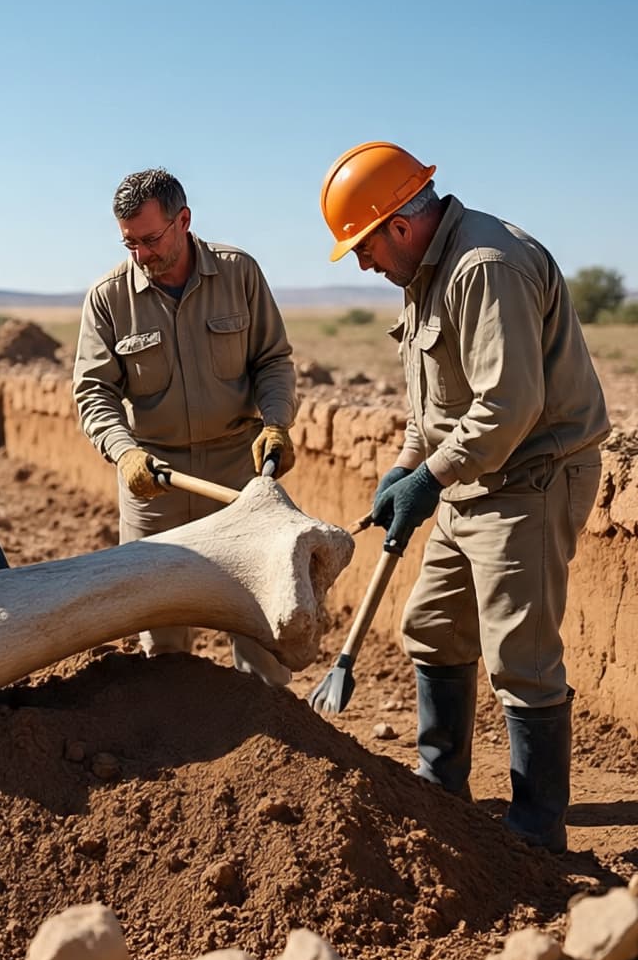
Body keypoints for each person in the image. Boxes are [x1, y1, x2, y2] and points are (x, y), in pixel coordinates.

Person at [311, 140, 608, 851]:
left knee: (520, 658)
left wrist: (429, 479)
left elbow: (508, 406)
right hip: (468, 478)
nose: (364, 265)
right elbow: (435, 403)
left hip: (530, 480)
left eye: (363, 248)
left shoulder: (485, 267)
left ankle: (535, 833)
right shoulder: (423, 272)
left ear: (399, 225)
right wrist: (406, 466)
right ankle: (440, 788)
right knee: (433, 626)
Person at [73, 167, 298, 683]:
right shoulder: (109, 298)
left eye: (151, 240)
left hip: (239, 476)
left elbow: (273, 361)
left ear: (184, 221)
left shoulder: (239, 274)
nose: (141, 255)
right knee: (162, 635)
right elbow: (93, 391)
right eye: (130, 243)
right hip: (156, 481)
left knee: (259, 619)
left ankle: (270, 724)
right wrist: (125, 452)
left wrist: (277, 423)